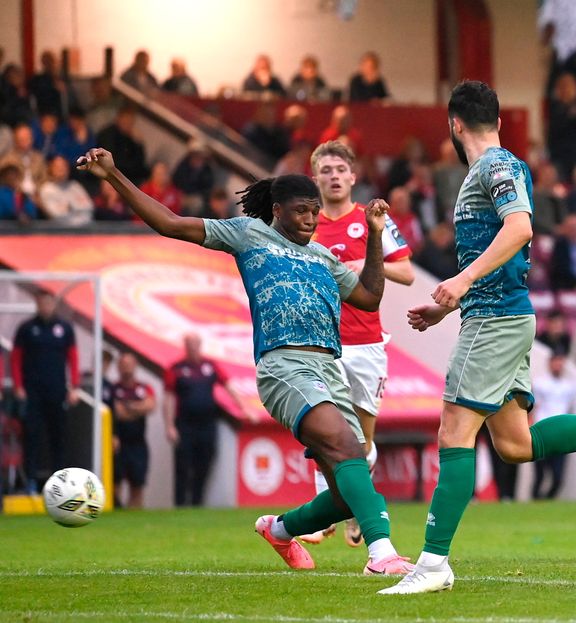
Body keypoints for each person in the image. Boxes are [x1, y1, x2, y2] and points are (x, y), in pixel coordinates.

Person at [379, 81, 576, 595]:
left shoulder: (497, 166)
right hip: (495, 316)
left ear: (453, 124)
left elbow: (520, 229)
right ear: (498, 119)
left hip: (494, 321)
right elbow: (503, 251)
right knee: (515, 445)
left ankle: (431, 565)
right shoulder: (490, 169)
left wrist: (463, 283)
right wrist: (448, 305)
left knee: (453, 433)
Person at [76, 146, 412, 575]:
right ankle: (381, 555)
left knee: (346, 491)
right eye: (301, 211)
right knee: (347, 448)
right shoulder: (249, 235)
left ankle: (280, 530)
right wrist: (113, 175)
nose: (311, 220)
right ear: (277, 210)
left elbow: (368, 297)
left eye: (314, 212)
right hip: (284, 367)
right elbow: (169, 223)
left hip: (329, 369)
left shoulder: (324, 257)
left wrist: (376, 233)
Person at [301, 140, 415, 546]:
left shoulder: (371, 220)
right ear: (315, 177)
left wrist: (359, 265)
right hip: (320, 343)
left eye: (339, 169)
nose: (333, 176)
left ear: (353, 176)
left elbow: (407, 272)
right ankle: (322, 512)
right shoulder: (306, 223)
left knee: (361, 441)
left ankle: (351, 507)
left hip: (366, 343)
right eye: (325, 170)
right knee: (321, 433)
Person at [165, 333, 254, 507]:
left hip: (207, 424)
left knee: (204, 462)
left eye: (195, 344)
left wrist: (244, 408)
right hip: (184, 424)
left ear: (200, 346)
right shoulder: (176, 368)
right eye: (189, 345)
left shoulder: (209, 366)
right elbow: (168, 398)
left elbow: (229, 386)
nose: (193, 348)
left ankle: (197, 502)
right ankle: (180, 504)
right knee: (183, 465)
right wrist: (169, 426)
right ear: (185, 346)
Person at [11, 292, 79, 492]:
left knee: (58, 436)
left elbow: (73, 358)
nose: (45, 306)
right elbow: (15, 359)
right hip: (33, 390)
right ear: (37, 304)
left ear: (54, 304)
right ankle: (30, 481)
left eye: (49, 302)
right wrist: (18, 385)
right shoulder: (26, 329)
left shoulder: (65, 329)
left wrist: (73, 386)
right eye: (42, 302)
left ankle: (59, 482)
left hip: (56, 390)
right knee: (31, 435)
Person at [112, 351, 156, 509]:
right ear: (118, 367)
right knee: (115, 485)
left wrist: (129, 407)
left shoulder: (144, 388)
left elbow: (150, 405)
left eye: (129, 365)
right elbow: (117, 413)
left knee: (137, 485)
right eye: (123, 365)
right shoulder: (113, 389)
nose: (127, 369)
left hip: (138, 443)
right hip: (118, 444)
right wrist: (137, 409)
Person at [531, 351, 576, 499]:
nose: (558, 365)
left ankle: (548, 500)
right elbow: (534, 407)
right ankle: (535, 500)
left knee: (558, 476)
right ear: (550, 363)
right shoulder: (539, 383)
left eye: (560, 361)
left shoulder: (569, 387)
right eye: (555, 361)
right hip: (542, 431)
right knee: (540, 474)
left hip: (561, 432)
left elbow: (569, 409)